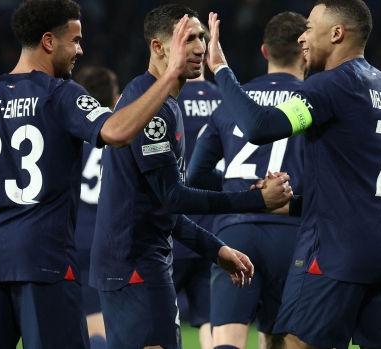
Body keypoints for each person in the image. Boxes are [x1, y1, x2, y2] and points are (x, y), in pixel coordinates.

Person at [0, 0, 197, 347]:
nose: (80, 50)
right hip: (45, 263)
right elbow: (116, 132)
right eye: (75, 40)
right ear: (49, 41)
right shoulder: (60, 94)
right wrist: (170, 73)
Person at [205, 0, 381, 348]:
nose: (302, 38)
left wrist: (222, 69)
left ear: (336, 33)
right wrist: (290, 204)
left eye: (310, 27)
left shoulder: (331, 85)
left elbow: (259, 127)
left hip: (338, 251)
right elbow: (360, 188)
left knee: (298, 343)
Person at [89, 4, 293, 349]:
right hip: (134, 263)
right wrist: (256, 199)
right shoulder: (150, 108)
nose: (199, 47)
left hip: (138, 258)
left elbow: (162, 205)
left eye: (203, 37)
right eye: (188, 39)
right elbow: (173, 197)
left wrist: (215, 249)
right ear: (158, 47)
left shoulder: (163, 102)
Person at [187, 11, 307, 349]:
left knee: (227, 338)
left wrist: (237, 189)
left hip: (235, 230)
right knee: (285, 338)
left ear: (265, 52)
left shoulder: (229, 103)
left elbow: (194, 176)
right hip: (294, 231)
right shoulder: (316, 101)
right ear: (305, 51)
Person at [172, 23, 221, 349]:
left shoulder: (167, 96)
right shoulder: (224, 100)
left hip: (173, 226)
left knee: (161, 316)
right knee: (210, 323)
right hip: (213, 228)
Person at [74, 66, 120, 349]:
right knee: (103, 322)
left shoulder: (70, 134)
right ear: (115, 99)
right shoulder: (122, 136)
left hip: (73, 237)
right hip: (109, 240)